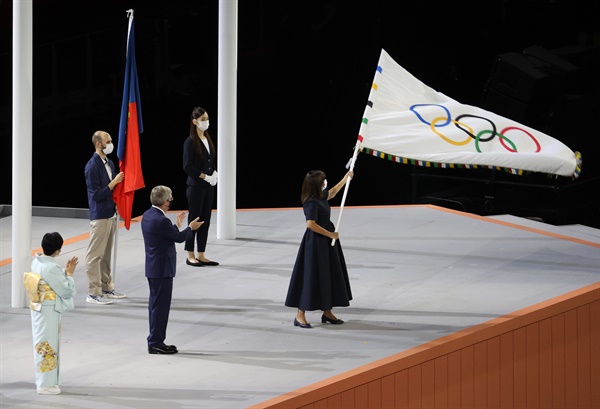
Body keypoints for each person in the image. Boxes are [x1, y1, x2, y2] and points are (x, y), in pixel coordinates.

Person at [285, 169, 354, 328]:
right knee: (311, 276)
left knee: (327, 274)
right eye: (323, 180)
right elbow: (310, 224)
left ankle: (327, 311)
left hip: (327, 241)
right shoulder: (311, 202)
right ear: (317, 184)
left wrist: (346, 178)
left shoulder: (320, 196)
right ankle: (300, 315)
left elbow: (334, 191)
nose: (325, 182)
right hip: (316, 243)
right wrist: (330, 234)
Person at [141, 185, 204, 354]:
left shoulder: (148, 215)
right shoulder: (161, 220)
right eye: (169, 199)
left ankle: (155, 340)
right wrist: (191, 228)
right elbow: (178, 238)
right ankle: (155, 342)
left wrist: (176, 224)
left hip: (153, 268)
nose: (170, 202)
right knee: (160, 308)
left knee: (156, 306)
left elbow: (165, 236)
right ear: (164, 202)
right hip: (162, 270)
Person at [24, 232, 78, 395]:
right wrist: (69, 274)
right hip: (48, 309)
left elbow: (49, 277)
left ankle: (47, 381)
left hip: (39, 306)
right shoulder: (51, 266)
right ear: (58, 250)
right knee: (47, 345)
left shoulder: (37, 261)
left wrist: (63, 272)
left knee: (42, 343)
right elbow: (66, 290)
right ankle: (45, 384)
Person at [83, 130, 125, 305]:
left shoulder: (110, 163)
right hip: (99, 215)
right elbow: (95, 195)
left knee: (106, 254)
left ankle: (106, 288)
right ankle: (93, 293)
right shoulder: (92, 166)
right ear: (99, 144)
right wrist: (114, 182)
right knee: (95, 255)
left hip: (111, 214)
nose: (111, 144)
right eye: (108, 141)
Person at [182, 106, 219, 267]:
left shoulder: (207, 138)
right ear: (195, 122)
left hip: (208, 186)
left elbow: (210, 160)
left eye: (207, 118)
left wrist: (215, 173)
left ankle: (201, 253)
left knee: (206, 220)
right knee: (195, 219)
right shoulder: (190, 141)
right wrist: (205, 176)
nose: (206, 122)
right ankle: (190, 254)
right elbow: (187, 166)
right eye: (203, 119)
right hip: (196, 186)